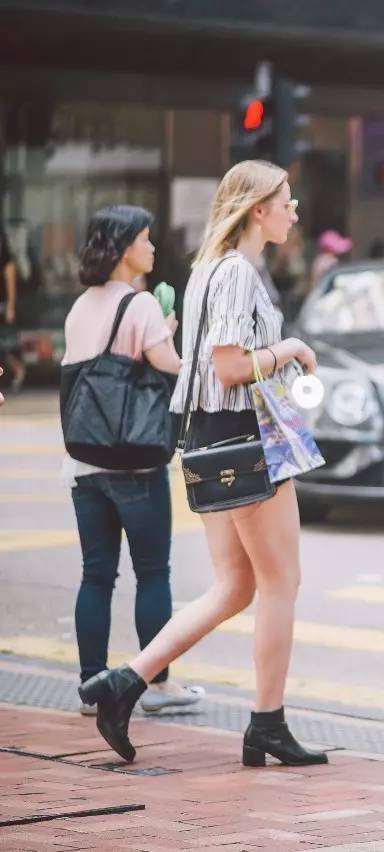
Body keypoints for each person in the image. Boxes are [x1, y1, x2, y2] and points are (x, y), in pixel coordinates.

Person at [77, 160, 327, 769]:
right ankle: (267, 723)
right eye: (286, 201)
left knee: (235, 586)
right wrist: (289, 349)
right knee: (280, 584)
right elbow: (229, 366)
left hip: (207, 439)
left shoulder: (206, 271)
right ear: (256, 210)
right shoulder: (237, 271)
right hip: (245, 441)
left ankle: (123, 683)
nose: (294, 212)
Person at [61, 206, 204, 717]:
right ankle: (158, 683)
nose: (152, 248)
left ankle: (89, 686)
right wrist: (165, 331)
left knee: (96, 575)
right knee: (152, 573)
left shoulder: (80, 307)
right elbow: (175, 371)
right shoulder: (141, 306)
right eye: (145, 239)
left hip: (84, 465)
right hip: (136, 466)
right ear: (125, 248)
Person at [0, 229, 25, 395]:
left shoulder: (5, 258)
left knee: (6, 345)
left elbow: (10, 278)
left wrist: (10, 306)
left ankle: (18, 371)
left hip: (1, 304)